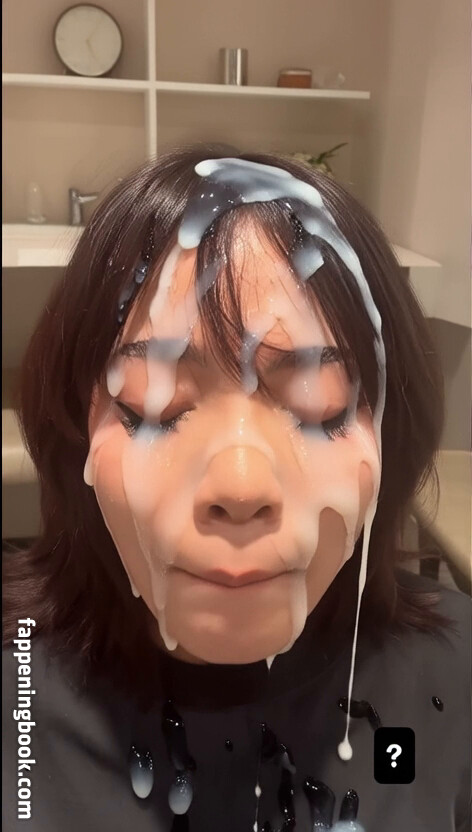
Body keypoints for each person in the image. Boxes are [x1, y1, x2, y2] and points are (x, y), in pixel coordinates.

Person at [2, 145, 470, 832]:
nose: (241, 484)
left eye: (319, 404)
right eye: (155, 405)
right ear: (75, 432)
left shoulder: (454, 670)